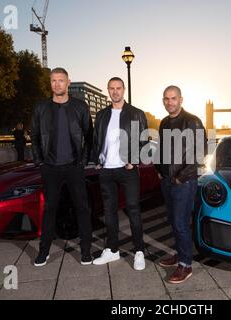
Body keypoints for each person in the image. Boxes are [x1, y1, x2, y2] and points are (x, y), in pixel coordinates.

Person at [31, 67, 93, 267]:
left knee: (82, 208)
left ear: (68, 82)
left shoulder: (80, 107)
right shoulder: (41, 108)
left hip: (74, 166)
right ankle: (44, 252)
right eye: (53, 81)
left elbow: (89, 136)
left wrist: (82, 161)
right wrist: (40, 161)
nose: (57, 84)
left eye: (61, 80)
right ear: (50, 83)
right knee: (50, 209)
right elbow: (34, 137)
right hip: (50, 167)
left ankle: (85, 252)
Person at [92, 77, 148, 271]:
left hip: (127, 169)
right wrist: (96, 160)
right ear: (108, 90)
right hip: (106, 169)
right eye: (111, 88)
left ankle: (139, 251)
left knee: (133, 209)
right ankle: (112, 249)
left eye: (118, 88)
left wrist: (134, 160)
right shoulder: (101, 115)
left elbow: (144, 141)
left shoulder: (136, 113)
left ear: (123, 90)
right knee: (109, 212)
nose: (115, 91)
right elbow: (96, 140)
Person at [155, 85, 207, 284]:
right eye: (166, 98)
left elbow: (200, 152)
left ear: (181, 99)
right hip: (167, 180)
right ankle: (179, 254)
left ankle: (186, 265)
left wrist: (181, 177)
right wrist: (159, 171)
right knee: (173, 221)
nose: (170, 102)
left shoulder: (192, 121)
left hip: (183, 182)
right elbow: (161, 148)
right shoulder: (164, 123)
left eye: (173, 98)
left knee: (180, 222)